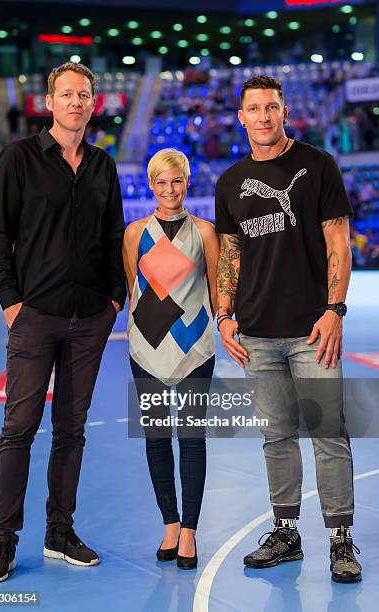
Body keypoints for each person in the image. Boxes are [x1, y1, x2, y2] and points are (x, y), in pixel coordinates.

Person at [0, 62, 126, 582]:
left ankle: (59, 531)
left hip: (89, 316)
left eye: (84, 95)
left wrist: (114, 301)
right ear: (49, 102)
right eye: (67, 94)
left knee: (72, 430)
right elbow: (0, 238)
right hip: (34, 314)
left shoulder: (103, 165)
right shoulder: (20, 159)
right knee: (17, 429)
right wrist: (12, 303)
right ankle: (2, 540)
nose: (76, 103)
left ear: (94, 104)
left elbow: (114, 240)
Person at [215, 75, 362, 583]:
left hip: (312, 331)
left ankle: (340, 541)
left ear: (284, 111)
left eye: (271, 107)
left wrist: (333, 310)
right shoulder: (230, 182)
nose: (263, 115)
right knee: (276, 438)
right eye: (253, 108)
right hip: (255, 334)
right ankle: (286, 533)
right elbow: (230, 256)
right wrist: (224, 315)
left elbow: (338, 241)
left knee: (328, 434)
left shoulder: (317, 165)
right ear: (241, 116)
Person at [123, 149, 218, 570]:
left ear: (187, 181)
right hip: (146, 347)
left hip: (196, 347)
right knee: (156, 438)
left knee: (191, 438)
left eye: (176, 181)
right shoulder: (133, 234)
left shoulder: (205, 232)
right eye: (161, 182)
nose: (169, 190)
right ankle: (170, 523)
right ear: (151, 185)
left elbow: (217, 291)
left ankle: (191, 531)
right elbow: (134, 288)